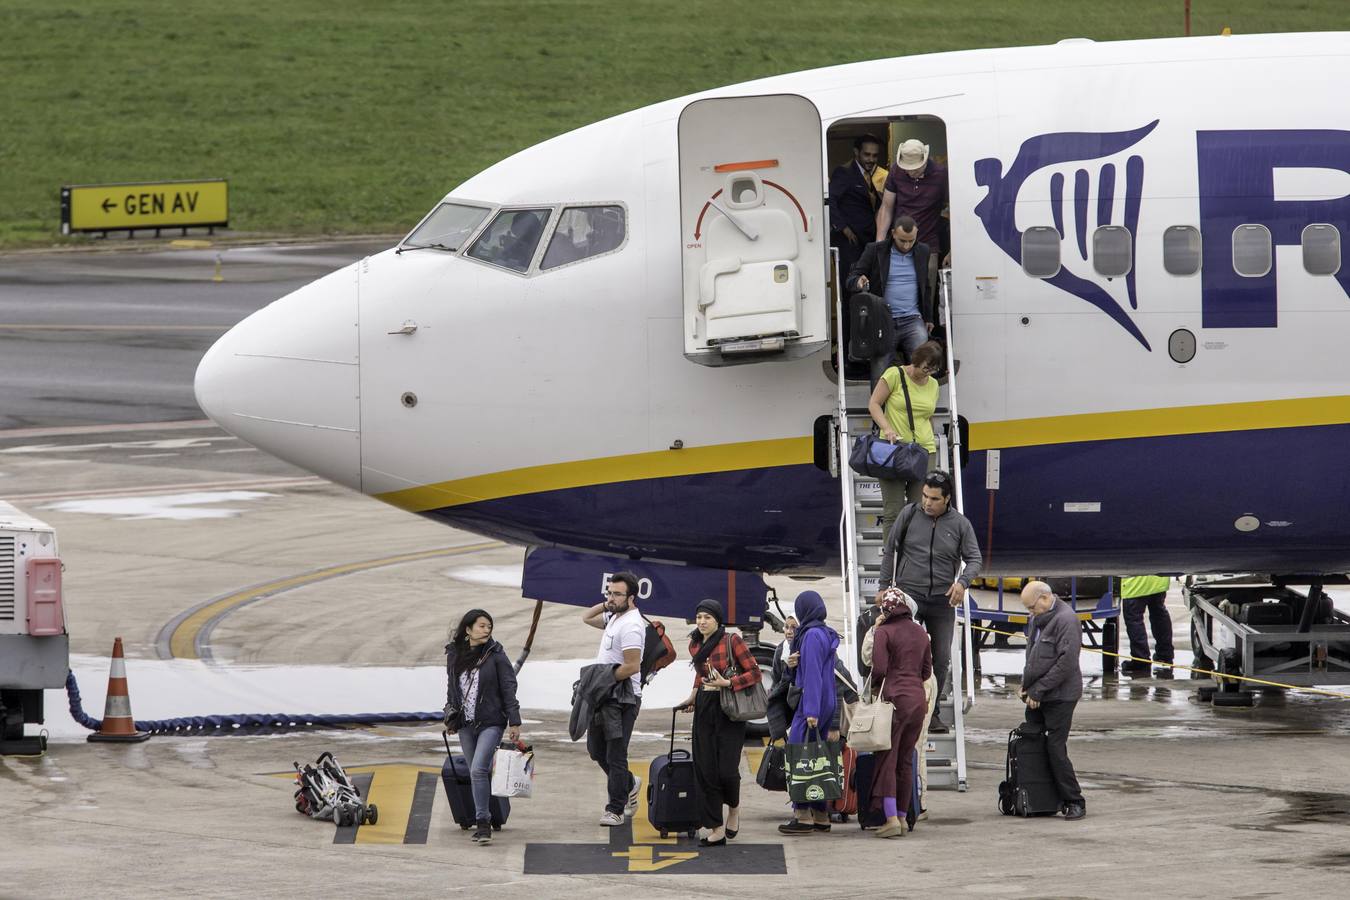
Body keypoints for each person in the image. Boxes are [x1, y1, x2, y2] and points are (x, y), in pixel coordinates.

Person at [878, 470, 983, 734]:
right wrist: (883, 587)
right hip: (909, 597)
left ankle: (932, 712)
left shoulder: (960, 524)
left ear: (947, 499)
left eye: (934, 499)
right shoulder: (910, 514)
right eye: (925, 496)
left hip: (941, 601)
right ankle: (899, 707)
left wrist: (962, 582)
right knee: (904, 653)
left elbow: (975, 559)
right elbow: (890, 549)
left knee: (941, 658)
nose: (927, 502)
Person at [676, 598, 762, 846]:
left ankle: (733, 808)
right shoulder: (695, 644)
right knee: (705, 770)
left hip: (729, 708)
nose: (702, 622)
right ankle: (716, 827)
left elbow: (755, 673)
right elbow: (700, 674)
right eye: (699, 617)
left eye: (708, 618)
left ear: (718, 620)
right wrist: (693, 696)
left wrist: (728, 683)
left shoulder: (731, 640)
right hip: (705, 705)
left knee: (726, 769)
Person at [444, 609, 521, 844]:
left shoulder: (496, 654)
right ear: (468, 630)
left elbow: (509, 687)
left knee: (478, 769)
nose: (486, 630)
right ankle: (488, 817)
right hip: (465, 724)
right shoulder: (454, 654)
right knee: (477, 770)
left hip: (491, 722)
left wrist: (514, 720)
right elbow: (451, 688)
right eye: (481, 626)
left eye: (489, 626)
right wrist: (450, 717)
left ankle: (483, 823)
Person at [862, 591, 938, 819]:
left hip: (894, 700)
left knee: (887, 758)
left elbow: (878, 668)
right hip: (917, 701)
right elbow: (926, 671)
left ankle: (891, 818)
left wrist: (876, 687)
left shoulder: (884, 632)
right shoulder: (921, 632)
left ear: (886, 610)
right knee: (906, 760)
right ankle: (904, 817)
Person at [581, 572, 646, 826]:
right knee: (596, 751)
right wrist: (608, 603)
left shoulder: (631, 625)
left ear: (631, 598)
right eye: (609, 592)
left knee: (616, 754)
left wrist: (602, 680)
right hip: (605, 695)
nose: (611, 598)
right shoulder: (614, 618)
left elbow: (632, 666)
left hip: (623, 699)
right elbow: (586, 617)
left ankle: (615, 809)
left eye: (617, 594)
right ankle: (629, 783)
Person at [1019, 580, 1086, 820]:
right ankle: (1041, 797)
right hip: (1038, 693)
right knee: (1033, 744)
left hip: (1061, 696)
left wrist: (1040, 691)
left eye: (1031, 607)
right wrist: (1027, 687)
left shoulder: (1066, 621)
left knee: (1055, 748)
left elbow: (1066, 664)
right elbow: (1034, 658)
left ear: (1045, 599)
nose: (1030, 613)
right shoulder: (1039, 618)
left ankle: (1074, 799)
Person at [778, 590, 842, 836]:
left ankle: (803, 815)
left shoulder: (812, 635)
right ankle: (821, 814)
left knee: (800, 757)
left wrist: (811, 710)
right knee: (817, 757)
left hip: (812, 703)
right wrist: (794, 664)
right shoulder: (823, 632)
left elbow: (813, 673)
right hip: (826, 701)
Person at [866, 339, 944, 538]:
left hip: (923, 450)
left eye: (932, 370)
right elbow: (874, 404)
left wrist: (933, 438)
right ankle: (891, 560)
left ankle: (912, 558)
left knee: (920, 510)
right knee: (893, 511)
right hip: (894, 449)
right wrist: (887, 428)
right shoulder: (894, 375)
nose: (927, 373)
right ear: (916, 360)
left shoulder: (933, 385)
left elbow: (928, 415)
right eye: (925, 368)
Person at [846, 216, 934, 367]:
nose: (907, 245)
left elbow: (924, 286)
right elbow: (850, 279)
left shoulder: (923, 251)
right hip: (882, 320)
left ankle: (915, 390)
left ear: (917, 234)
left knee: (921, 365)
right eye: (902, 240)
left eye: (911, 240)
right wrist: (858, 282)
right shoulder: (875, 250)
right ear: (893, 233)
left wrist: (928, 318)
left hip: (912, 319)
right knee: (880, 369)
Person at [875, 138, 950, 302]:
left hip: (928, 244)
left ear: (925, 159)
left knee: (925, 294)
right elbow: (886, 207)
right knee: (896, 291)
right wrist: (879, 241)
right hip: (897, 242)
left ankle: (925, 326)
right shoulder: (896, 171)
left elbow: (954, 210)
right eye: (907, 169)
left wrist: (953, 250)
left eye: (915, 169)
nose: (910, 172)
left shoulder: (941, 174)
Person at [828, 134, 887, 281]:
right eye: (867, 154)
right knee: (851, 282)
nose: (871, 159)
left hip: (866, 241)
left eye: (875, 155)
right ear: (856, 152)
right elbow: (830, 200)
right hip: (850, 242)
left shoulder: (873, 175)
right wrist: (843, 228)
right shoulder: (844, 172)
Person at [1119, 575, 1175, 676]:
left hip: (1135, 583)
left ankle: (1141, 660)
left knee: (1134, 620)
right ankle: (1165, 655)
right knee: (1159, 615)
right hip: (1158, 579)